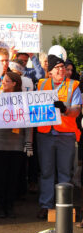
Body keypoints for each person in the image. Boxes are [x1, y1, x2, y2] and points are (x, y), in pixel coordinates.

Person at [36, 54, 82, 219]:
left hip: (66, 135)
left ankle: (64, 206)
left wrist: (65, 109)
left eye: (63, 67)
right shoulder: (41, 85)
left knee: (64, 172)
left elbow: (77, 111)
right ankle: (45, 205)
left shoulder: (73, 86)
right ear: (49, 72)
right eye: (57, 67)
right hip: (45, 134)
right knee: (46, 172)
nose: (62, 70)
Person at [0, 72, 33, 218]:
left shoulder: (23, 100)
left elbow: (28, 123)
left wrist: (28, 143)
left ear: (14, 83)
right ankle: (0, 206)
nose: (3, 82)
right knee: (0, 177)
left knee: (13, 178)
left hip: (16, 144)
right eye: (3, 80)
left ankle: (9, 206)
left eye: (7, 81)